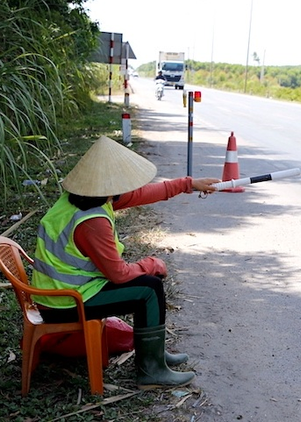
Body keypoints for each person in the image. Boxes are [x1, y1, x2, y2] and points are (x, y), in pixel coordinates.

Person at [31, 135, 220, 389]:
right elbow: (118, 274)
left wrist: (189, 184)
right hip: (65, 302)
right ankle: (151, 370)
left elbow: (145, 193)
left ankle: (154, 354)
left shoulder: (81, 197)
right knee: (149, 289)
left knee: (147, 286)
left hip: (58, 294)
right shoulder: (92, 222)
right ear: (108, 184)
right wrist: (151, 265)